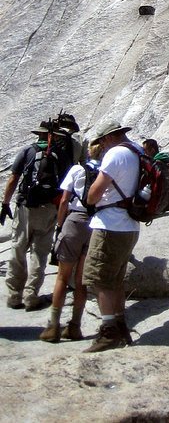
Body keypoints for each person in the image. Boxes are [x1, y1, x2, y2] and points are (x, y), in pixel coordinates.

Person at [81, 121, 142, 352]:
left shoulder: (115, 154)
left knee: (100, 278)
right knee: (115, 278)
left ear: (108, 138)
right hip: (130, 224)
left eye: (102, 141)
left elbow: (94, 194)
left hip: (110, 224)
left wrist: (89, 196)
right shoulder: (135, 150)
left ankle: (108, 333)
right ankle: (120, 324)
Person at [2, 121, 74, 310]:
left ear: (39, 134)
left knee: (18, 249)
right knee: (39, 253)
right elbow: (66, 186)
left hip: (26, 206)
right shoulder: (61, 155)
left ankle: (14, 295)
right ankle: (31, 295)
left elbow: (13, 179)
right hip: (49, 208)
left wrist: (5, 203)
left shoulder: (27, 151)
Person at [38, 143, 103, 343]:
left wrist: (60, 225)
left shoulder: (77, 169)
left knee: (62, 278)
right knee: (81, 281)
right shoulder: (104, 170)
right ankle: (75, 326)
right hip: (95, 223)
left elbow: (65, 199)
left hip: (74, 221)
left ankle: (53, 326)